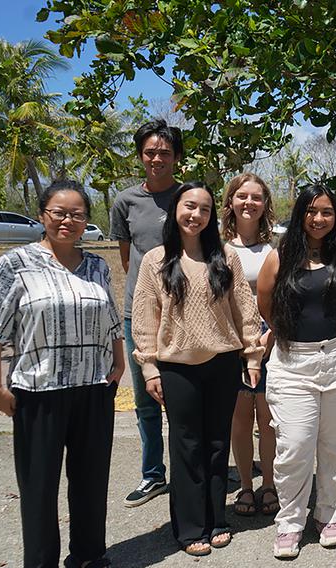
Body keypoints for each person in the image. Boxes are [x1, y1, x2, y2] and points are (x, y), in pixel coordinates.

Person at [0, 181, 124, 568]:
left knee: (91, 483)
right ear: (43, 215)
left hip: (93, 388)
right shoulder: (16, 263)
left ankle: (89, 556)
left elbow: (110, 321)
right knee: (39, 488)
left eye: (77, 214)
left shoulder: (96, 265)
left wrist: (119, 362)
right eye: (59, 212)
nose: (67, 221)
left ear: (86, 221)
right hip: (39, 391)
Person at [132, 181, 264, 556]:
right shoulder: (156, 260)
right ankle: (190, 527)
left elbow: (244, 309)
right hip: (177, 367)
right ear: (176, 210)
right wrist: (149, 367)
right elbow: (145, 316)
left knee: (217, 442)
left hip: (222, 362)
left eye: (204, 209)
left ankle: (216, 518)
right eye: (190, 206)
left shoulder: (225, 257)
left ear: (212, 216)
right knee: (187, 445)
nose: (196, 215)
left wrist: (253, 354)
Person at [256, 184, 336, 559]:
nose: (319, 219)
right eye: (311, 211)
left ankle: (328, 515)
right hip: (294, 363)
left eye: (326, 211)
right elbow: (266, 304)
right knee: (294, 446)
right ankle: (290, 522)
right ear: (299, 215)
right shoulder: (280, 257)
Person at [110, 119, 183, 507]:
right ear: (140, 155)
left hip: (187, 315)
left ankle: (201, 468)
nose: (157, 158)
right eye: (150, 152)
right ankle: (153, 474)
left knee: (188, 398)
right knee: (146, 400)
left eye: (165, 153)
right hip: (139, 315)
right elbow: (129, 259)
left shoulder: (188, 196)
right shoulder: (125, 201)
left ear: (176, 157)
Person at [221, 173, 279, 517]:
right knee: (240, 418)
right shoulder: (217, 248)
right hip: (230, 344)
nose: (249, 203)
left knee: (268, 417)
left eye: (256, 197)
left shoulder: (276, 247)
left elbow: (285, 295)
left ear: (265, 204)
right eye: (242, 196)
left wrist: (273, 333)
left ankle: (269, 484)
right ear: (230, 202)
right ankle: (245, 486)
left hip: (271, 341)